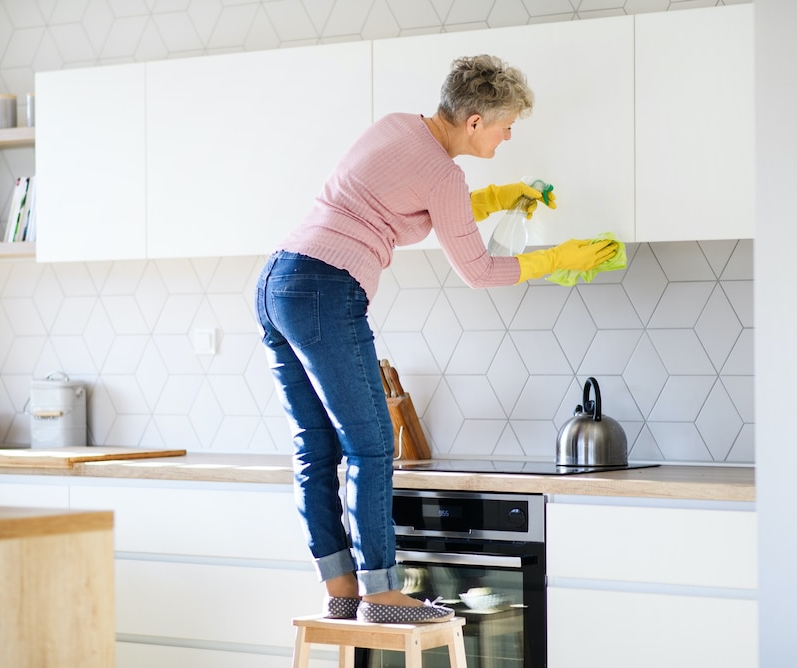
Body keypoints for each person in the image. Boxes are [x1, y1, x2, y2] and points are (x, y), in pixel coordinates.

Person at [255, 54, 618, 625]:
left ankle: (342, 588)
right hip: (327, 290)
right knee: (371, 446)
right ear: (475, 121)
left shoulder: (398, 127)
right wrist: (555, 259)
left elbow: (412, 213)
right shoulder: (443, 173)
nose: (509, 134)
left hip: (280, 280)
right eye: (505, 124)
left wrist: (495, 199)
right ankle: (380, 595)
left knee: (317, 448)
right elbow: (477, 271)